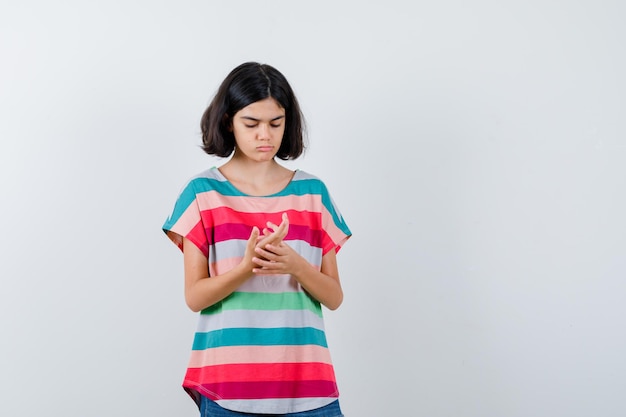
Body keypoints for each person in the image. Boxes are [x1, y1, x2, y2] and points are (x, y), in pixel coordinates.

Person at [162, 62, 352, 417]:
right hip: (228, 387)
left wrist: (294, 264)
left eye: (275, 123)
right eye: (252, 124)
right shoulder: (202, 194)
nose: (265, 135)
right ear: (228, 122)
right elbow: (194, 297)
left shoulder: (312, 194)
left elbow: (334, 296)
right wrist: (246, 268)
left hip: (308, 386)